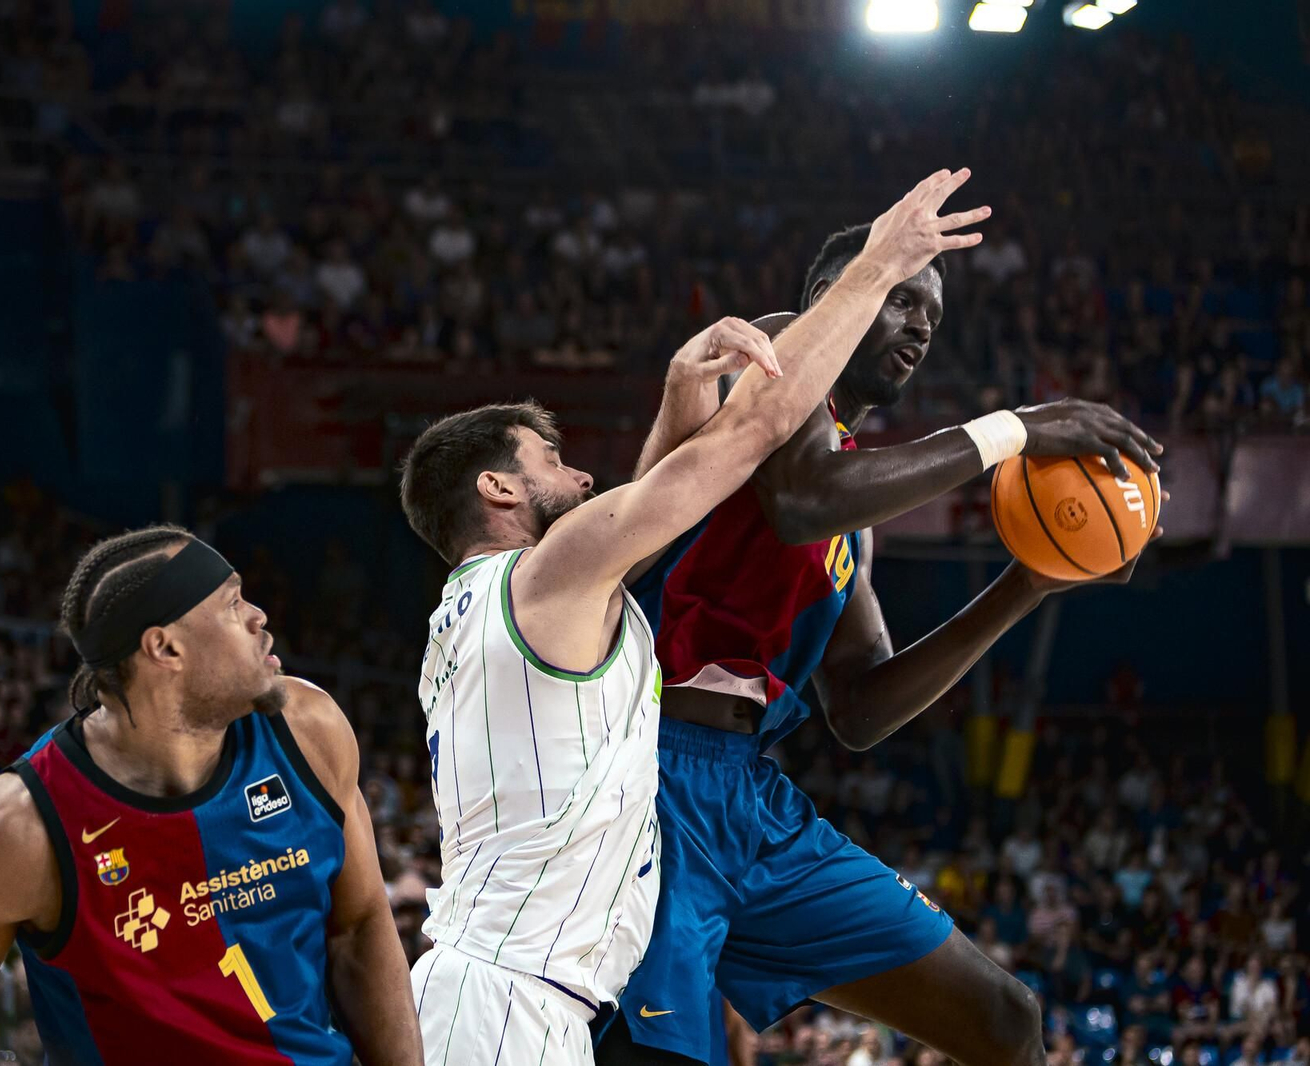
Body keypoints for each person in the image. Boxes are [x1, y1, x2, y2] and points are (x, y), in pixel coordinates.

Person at [399, 168, 987, 1065]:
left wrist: (680, 401)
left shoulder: (503, 609)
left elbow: (641, 530)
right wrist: (876, 269)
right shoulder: (542, 583)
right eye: (554, 462)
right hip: (504, 999)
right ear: (500, 487)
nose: (585, 478)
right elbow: (732, 456)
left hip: (529, 990)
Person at [604, 219, 1165, 1065]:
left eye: (931, 315)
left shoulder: (852, 526)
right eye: (901, 297)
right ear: (840, 296)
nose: (919, 324)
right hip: (650, 780)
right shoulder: (771, 362)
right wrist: (1010, 429)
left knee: (1006, 1021)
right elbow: (800, 498)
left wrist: (1028, 585)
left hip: (749, 797)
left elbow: (863, 708)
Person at [0, 526, 422, 1065]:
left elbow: (359, 930)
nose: (258, 616)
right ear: (166, 647)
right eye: (232, 603)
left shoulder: (309, 731)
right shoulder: (15, 829)